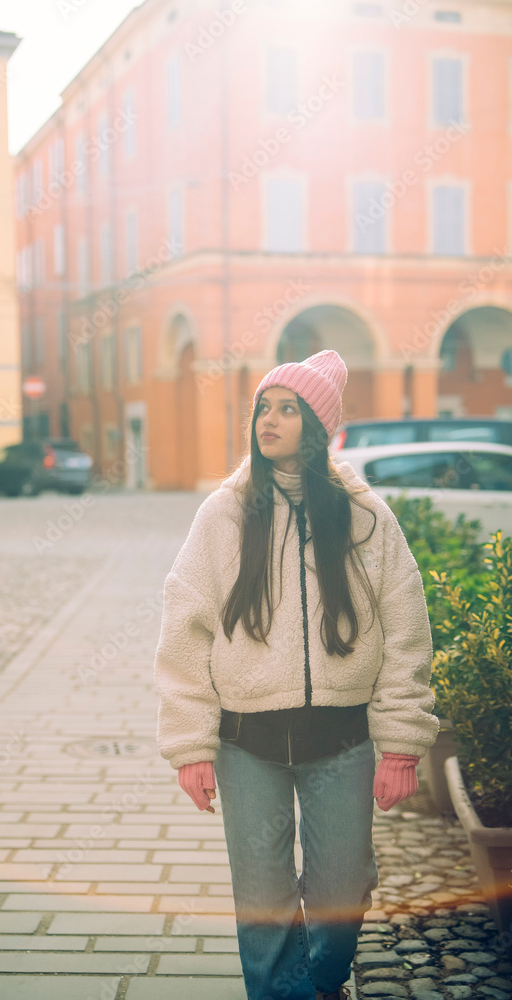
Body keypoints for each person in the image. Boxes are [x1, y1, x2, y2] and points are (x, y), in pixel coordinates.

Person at [153, 350, 439, 1000]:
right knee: (264, 901)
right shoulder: (224, 515)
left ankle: (321, 979)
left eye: (288, 409)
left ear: (319, 426)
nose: (270, 420)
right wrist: (190, 747)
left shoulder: (364, 516)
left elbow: (405, 630)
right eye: (263, 407)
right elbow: (184, 630)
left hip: (342, 741)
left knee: (343, 889)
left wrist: (400, 744)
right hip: (245, 743)